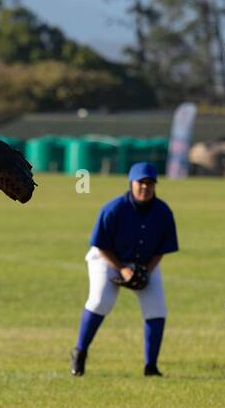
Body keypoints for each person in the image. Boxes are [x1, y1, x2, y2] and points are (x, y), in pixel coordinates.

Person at [70, 162, 178, 378]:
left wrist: (146, 271)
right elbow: (100, 245)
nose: (145, 187)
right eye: (140, 182)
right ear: (131, 183)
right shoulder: (113, 209)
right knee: (101, 300)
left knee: (157, 308)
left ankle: (151, 367)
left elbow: (162, 249)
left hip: (145, 262)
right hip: (106, 258)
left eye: (150, 183)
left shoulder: (163, 212)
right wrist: (122, 269)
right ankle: (80, 352)